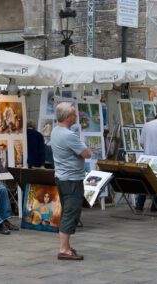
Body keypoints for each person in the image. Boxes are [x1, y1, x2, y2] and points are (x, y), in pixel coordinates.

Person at [51, 102, 91, 261]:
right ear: (68, 117)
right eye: (75, 115)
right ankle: (63, 249)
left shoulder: (55, 131)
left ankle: (66, 246)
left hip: (62, 177)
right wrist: (86, 150)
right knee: (71, 212)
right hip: (72, 179)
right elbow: (86, 154)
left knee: (69, 211)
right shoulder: (69, 135)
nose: (77, 117)